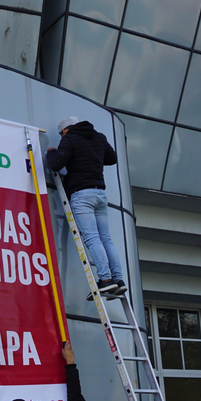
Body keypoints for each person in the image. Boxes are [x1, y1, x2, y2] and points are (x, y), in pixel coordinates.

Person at [46, 116, 126, 298]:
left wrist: (52, 152)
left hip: (82, 194)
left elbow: (56, 164)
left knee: (92, 239)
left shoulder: (70, 139)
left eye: (61, 134)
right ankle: (118, 279)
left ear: (65, 130)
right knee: (106, 239)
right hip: (100, 194)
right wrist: (92, 158)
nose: (61, 136)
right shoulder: (99, 137)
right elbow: (112, 158)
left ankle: (106, 280)